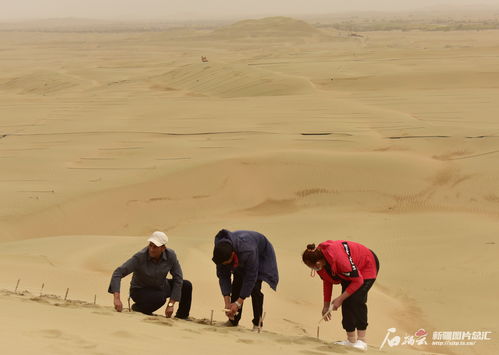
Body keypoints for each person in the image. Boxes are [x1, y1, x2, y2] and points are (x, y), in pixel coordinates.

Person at [302, 240, 380, 351]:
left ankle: (362, 340)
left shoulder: (339, 259)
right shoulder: (320, 264)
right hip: (348, 272)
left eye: (311, 266)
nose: (312, 269)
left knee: (355, 301)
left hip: (366, 265)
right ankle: (351, 340)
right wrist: (326, 305)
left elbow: (358, 281)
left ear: (318, 263)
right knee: (346, 302)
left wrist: (339, 299)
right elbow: (327, 281)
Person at [108, 231, 192, 318]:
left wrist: (171, 305)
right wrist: (117, 299)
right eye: (150, 245)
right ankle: (138, 308)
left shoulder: (171, 255)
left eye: (155, 247)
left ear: (163, 248)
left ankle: (182, 317)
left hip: (161, 286)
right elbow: (118, 273)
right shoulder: (140, 257)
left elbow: (178, 278)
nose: (151, 249)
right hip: (140, 290)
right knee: (159, 298)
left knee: (186, 285)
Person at [212, 229, 279, 329]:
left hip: (260, 254)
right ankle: (233, 321)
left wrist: (238, 302)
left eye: (226, 263)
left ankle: (257, 324)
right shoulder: (221, 251)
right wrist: (227, 302)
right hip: (241, 255)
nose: (225, 265)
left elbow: (250, 278)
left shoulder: (248, 250)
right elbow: (223, 276)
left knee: (255, 288)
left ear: (232, 254)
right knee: (236, 285)